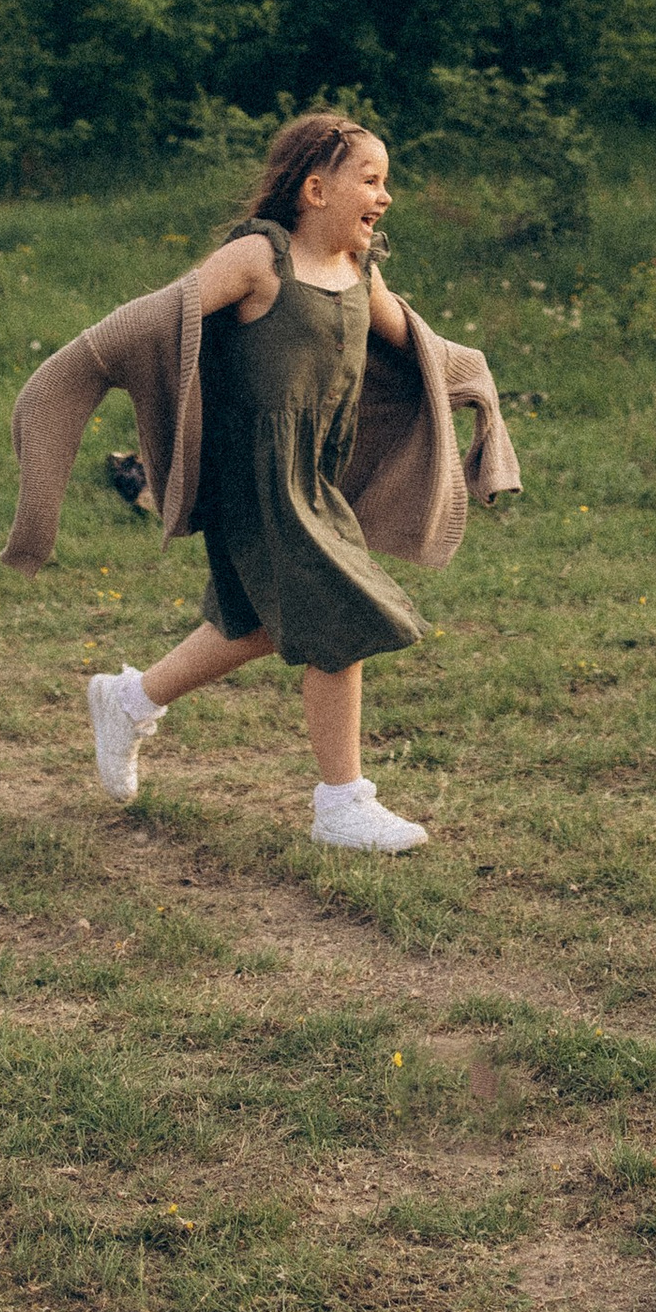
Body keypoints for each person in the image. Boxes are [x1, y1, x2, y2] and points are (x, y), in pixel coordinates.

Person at [87, 112, 442, 854]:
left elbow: (420, 346)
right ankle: (341, 803)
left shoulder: (355, 269)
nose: (386, 196)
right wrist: (84, 366)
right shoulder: (259, 257)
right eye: (371, 180)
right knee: (337, 614)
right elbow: (168, 313)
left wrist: (471, 386)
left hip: (314, 475)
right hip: (256, 476)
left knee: (251, 625)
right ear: (316, 189)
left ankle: (128, 699)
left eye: (388, 183)